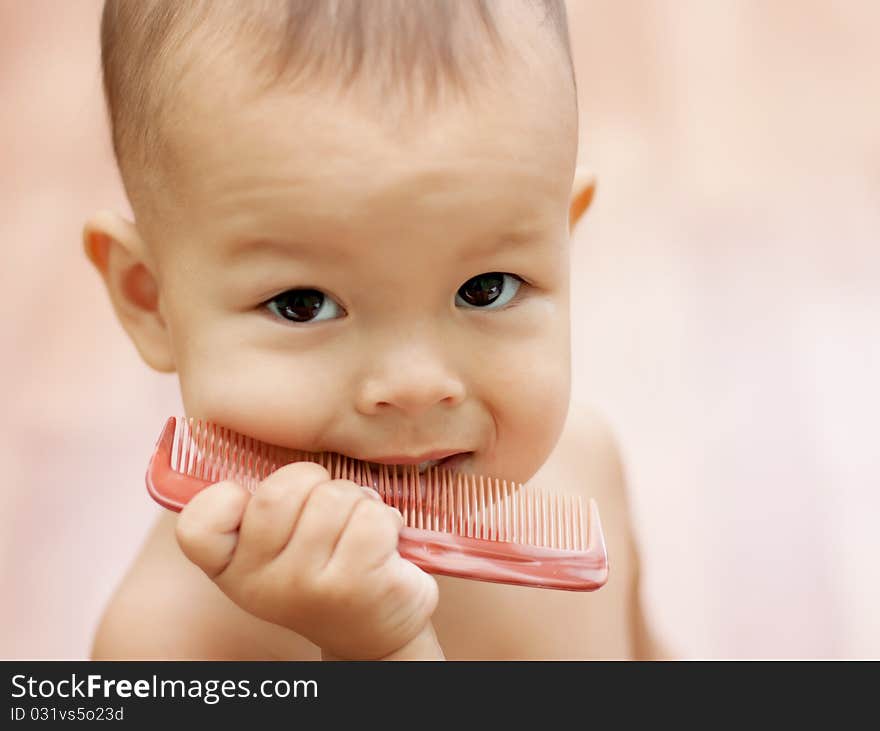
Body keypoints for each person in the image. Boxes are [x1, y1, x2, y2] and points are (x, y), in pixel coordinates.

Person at [84, 0, 665, 660]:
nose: (414, 386)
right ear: (150, 299)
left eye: (485, 289)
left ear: (563, 243)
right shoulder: (167, 647)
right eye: (302, 303)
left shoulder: (585, 462)